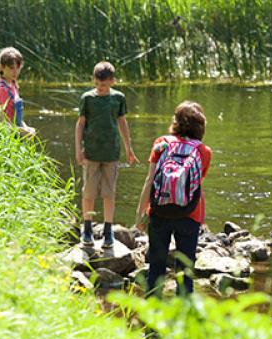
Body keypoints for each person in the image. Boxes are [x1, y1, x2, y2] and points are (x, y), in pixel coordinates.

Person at [134, 101, 212, 297]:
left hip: (159, 212)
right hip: (189, 215)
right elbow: (197, 185)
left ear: (175, 122)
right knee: (185, 272)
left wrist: (141, 213)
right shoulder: (204, 151)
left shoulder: (161, 143)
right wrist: (200, 219)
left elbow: (150, 180)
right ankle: (183, 320)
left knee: (156, 270)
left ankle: (151, 322)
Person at [75, 61, 138, 249]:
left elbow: (122, 123)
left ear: (112, 81)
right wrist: (78, 149)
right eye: (97, 85)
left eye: (104, 85)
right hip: (91, 153)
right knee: (89, 192)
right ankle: (87, 229)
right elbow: (80, 124)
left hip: (111, 153)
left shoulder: (118, 98)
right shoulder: (87, 98)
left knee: (109, 192)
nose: (100, 88)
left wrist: (129, 148)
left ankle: (108, 230)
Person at [0, 47, 36, 137]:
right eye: (11, 68)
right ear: (2, 67)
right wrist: (21, 132)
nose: (15, 72)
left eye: (18, 67)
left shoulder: (12, 84)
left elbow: (18, 118)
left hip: (15, 130)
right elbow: (0, 121)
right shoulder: (1, 90)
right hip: (5, 135)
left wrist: (26, 128)